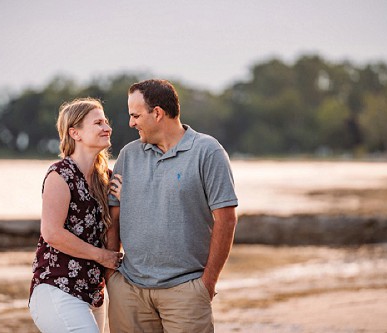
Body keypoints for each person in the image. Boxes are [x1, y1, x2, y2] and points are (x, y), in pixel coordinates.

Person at [106, 79, 238, 332]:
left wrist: (207, 283)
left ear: (157, 113)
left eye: (135, 115)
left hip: (185, 291)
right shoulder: (128, 155)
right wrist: (112, 276)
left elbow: (227, 219)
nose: (131, 123)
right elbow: (114, 216)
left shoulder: (207, 152)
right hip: (130, 291)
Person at [29, 97, 123, 333]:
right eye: (98, 123)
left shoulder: (107, 178)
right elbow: (51, 233)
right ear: (75, 133)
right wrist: (100, 256)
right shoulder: (60, 175)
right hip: (56, 288)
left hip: (94, 292)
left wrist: (121, 202)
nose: (107, 127)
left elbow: (116, 229)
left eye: (106, 122)